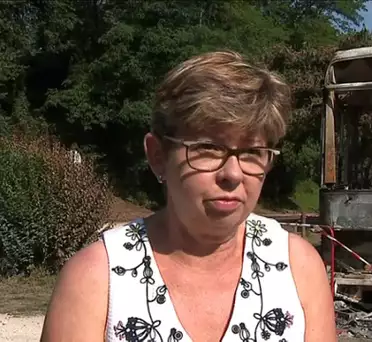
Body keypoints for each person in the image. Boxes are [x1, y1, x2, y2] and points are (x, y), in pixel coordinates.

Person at [41, 51, 336, 342]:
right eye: (207, 148)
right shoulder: (96, 279)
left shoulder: (299, 269)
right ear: (158, 156)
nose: (232, 174)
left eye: (251, 152)